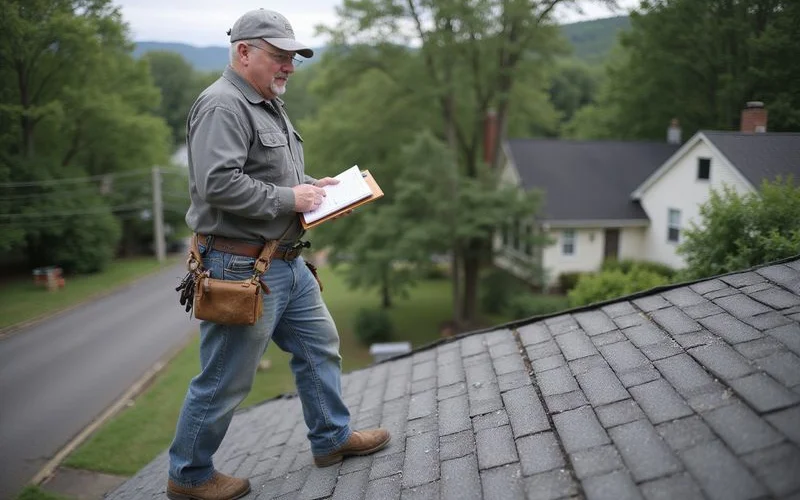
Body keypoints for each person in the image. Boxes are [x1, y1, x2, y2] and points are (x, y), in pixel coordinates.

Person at [166, 9, 390, 500]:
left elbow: (270, 173)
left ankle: (331, 439)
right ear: (244, 52)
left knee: (319, 347)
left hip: (284, 260)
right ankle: (189, 476)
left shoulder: (267, 102)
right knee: (225, 379)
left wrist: (316, 188)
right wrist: (293, 199)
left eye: (293, 57)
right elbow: (217, 183)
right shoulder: (223, 105)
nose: (289, 65)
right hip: (239, 267)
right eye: (280, 55)